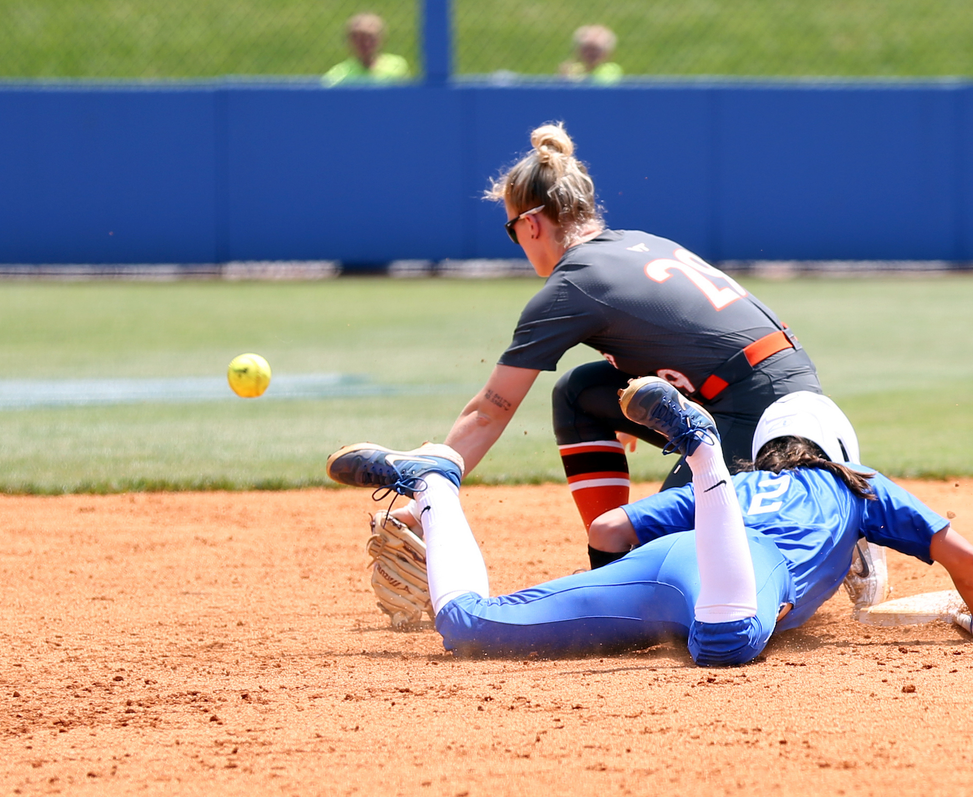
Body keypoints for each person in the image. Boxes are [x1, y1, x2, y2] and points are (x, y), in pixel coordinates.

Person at [351, 120, 826, 571]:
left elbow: (488, 412)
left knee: (666, 564)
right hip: (796, 397)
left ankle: (829, 541)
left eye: (511, 227)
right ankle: (617, 564)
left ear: (532, 223)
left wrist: (425, 500)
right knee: (580, 393)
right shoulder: (640, 242)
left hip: (757, 415)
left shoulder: (574, 284)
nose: (516, 239)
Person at [326, 377, 973, 665]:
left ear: (766, 450)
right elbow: (966, 559)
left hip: (673, 558)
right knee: (724, 641)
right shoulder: (859, 489)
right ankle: (697, 444)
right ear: (842, 452)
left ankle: (432, 484)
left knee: (468, 628)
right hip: (738, 572)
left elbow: (608, 532)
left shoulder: (754, 486)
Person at [322, 13, 410, 87]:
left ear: (381, 38)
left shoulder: (397, 66)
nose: (364, 43)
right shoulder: (339, 74)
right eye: (356, 38)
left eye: (370, 38)